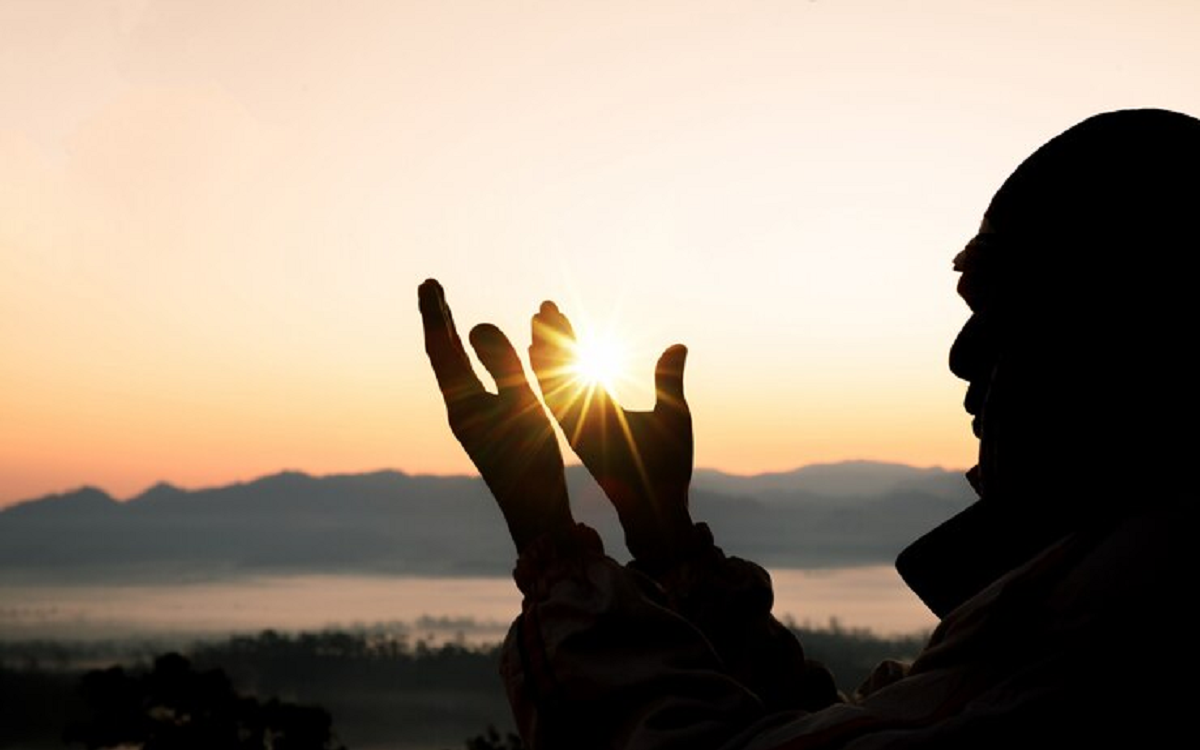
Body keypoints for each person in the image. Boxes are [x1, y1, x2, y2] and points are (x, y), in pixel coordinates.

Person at [419, 108, 1196, 749]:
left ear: (1129, 332)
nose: (963, 358)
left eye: (1008, 309)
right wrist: (662, 535)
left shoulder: (1126, 627)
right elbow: (824, 732)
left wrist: (550, 546)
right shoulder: (1085, 594)